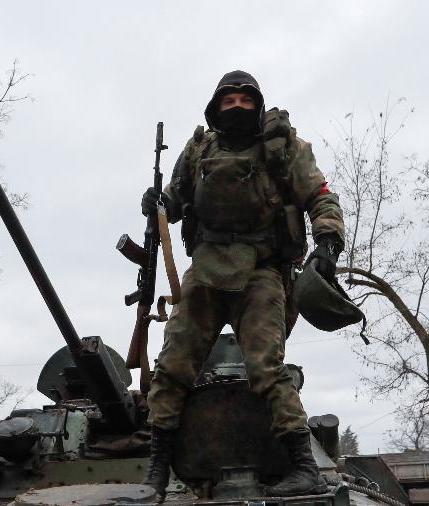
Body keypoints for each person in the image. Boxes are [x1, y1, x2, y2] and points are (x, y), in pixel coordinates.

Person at [139, 70, 345, 499]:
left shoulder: (284, 147)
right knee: (173, 365)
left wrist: (328, 241)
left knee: (267, 368)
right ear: (216, 108)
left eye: (244, 101)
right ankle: (157, 468)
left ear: (257, 104)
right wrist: (158, 201)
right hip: (207, 267)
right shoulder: (199, 148)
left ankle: (304, 466)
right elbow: (175, 199)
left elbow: (320, 194)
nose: (236, 108)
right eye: (227, 101)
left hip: (262, 269)